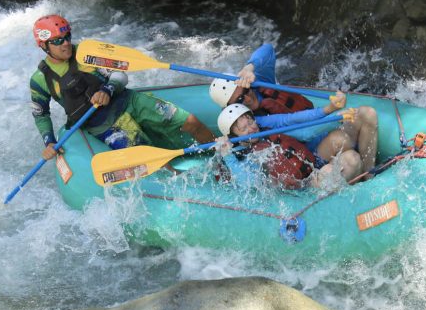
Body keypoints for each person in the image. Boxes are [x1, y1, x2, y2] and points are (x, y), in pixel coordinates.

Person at [29, 14, 214, 161]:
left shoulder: (88, 53)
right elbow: (41, 114)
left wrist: (107, 89)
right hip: (104, 125)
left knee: (191, 121)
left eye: (67, 36)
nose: (66, 43)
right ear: (44, 45)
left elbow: (120, 74)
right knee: (154, 159)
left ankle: (222, 158)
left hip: (129, 101)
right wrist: (49, 141)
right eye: (58, 41)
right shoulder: (40, 79)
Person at [208, 43, 379, 175]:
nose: (247, 97)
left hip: (316, 131)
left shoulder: (259, 83)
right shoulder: (254, 125)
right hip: (309, 151)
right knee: (343, 143)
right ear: (232, 107)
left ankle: (368, 175)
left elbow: (268, 49)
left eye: (245, 90)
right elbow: (302, 132)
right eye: (239, 99)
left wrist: (249, 68)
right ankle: (351, 174)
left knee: (367, 114)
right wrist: (333, 115)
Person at [214, 103, 360, 190]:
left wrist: (336, 119)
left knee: (352, 158)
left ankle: (359, 184)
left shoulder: (269, 132)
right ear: (235, 137)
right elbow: (249, 184)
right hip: (301, 189)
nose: (251, 129)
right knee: (329, 171)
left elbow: (305, 132)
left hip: (312, 169)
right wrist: (228, 156)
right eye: (244, 129)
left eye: (251, 123)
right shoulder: (244, 156)